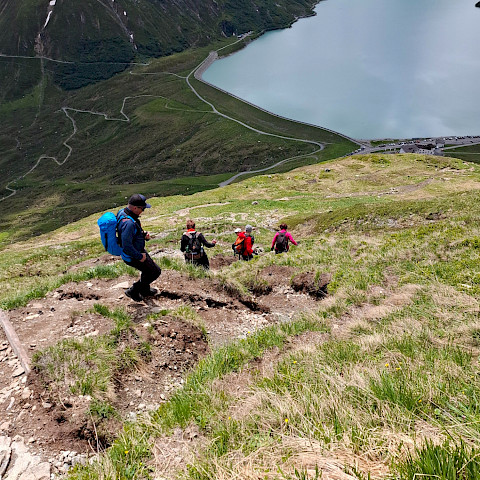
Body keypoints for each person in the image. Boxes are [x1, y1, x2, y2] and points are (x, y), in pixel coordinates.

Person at [117, 194, 161, 302]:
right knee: (155, 272)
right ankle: (133, 290)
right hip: (133, 255)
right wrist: (139, 256)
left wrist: (142, 235)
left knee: (147, 270)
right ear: (135, 208)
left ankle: (145, 290)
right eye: (142, 209)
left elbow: (129, 236)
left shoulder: (122, 212)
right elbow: (127, 246)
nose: (143, 211)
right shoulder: (129, 223)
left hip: (136, 251)